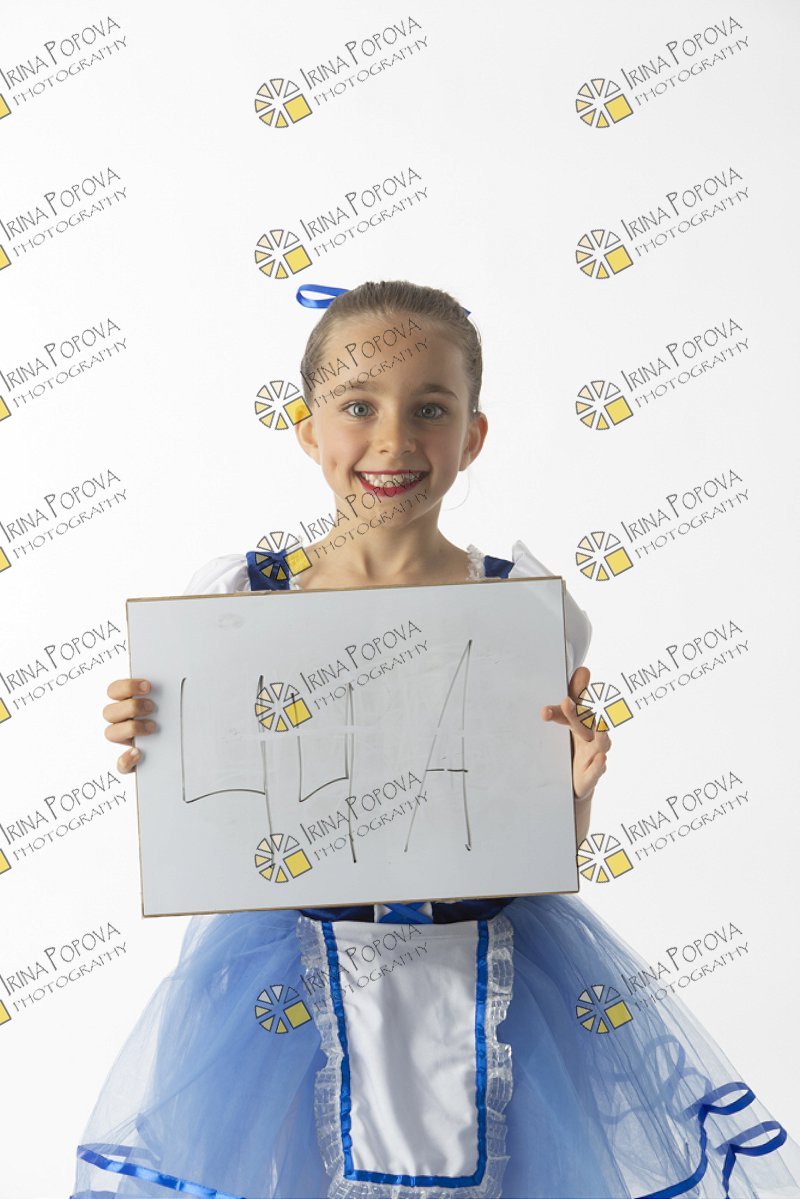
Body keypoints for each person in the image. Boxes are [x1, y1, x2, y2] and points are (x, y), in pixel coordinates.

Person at [73, 281, 800, 1199]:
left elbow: (534, 849)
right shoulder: (237, 605)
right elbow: (216, 811)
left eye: (429, 408)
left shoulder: (521, 608)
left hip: (495, 971)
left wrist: (575, 790)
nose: (393, 439)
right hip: (295, 973)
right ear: (306, 429)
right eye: (358, 406)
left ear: (473, 434)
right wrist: (158, 736)